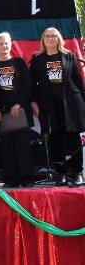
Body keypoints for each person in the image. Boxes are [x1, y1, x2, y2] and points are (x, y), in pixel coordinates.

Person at [30, 27, 85, 186]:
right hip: (48, 105)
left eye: (54, 35)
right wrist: (33, 102)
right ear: (43, 40)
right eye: (47, 36)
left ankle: (78, 172)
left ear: (59, 38)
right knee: (55, 138)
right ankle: (60, 172)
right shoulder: (38, 59)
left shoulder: (69, 56)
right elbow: (32, 84)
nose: (50, 38)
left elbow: (78, 80)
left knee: (73, 137)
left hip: (70, 104)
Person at [0, 32, 35, 188]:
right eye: (0, 44)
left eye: (6, 43)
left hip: (19, 110)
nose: (4, 46)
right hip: (3, 113)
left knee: (23, 146)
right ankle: (11, 179)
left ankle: (26, 178)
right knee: (6, 148)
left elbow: (27, 85)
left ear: (11, 44)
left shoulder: (19, 62)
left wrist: (19, 104)